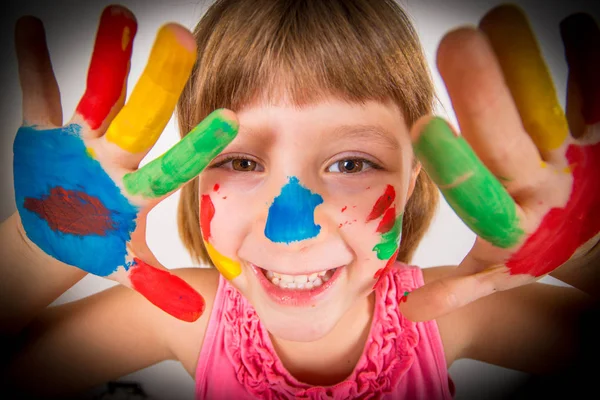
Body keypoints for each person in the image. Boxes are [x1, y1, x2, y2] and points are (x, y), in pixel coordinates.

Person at [0, 0, 598, 398]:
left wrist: (582, 250)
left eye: (352, 163)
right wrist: (41, 243)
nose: (293, 228)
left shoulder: (447, 313)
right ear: (191, 178)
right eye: (239, 161)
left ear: (414, 178)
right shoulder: (190, 318)